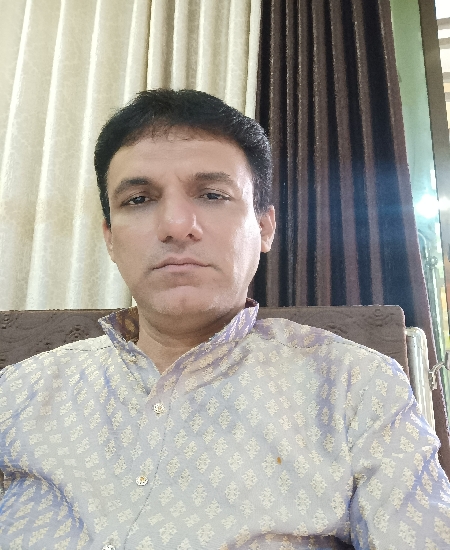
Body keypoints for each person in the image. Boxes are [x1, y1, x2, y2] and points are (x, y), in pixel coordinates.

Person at [0, 89, 449, 550]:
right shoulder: (17, 393)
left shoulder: (358, 388)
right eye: (138, 199)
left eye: (213, 194)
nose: (176, 225)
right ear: (110, 238)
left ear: (265, 228)